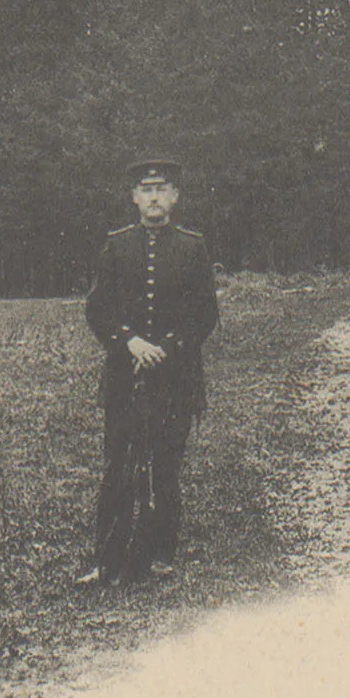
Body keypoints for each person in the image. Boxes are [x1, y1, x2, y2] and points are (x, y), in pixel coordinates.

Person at [78, 160, 219, 585]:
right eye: (146, 189)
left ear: (175, 197)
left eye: (163, 189)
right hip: (126, 375)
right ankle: (108, 559)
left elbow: (204, 314)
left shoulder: (193, 248)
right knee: (118, 464)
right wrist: (131, 343)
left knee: (164, 465)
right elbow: (98, 310)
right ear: (134, 197)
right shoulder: (116, 247)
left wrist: (170, 348)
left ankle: (159, 554)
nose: (154, 197)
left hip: (176, 378)